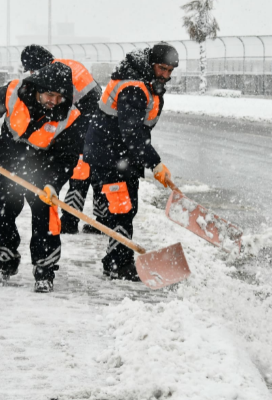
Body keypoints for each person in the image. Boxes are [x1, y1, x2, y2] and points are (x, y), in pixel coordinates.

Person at [0, 62, 83, 293]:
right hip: (8, 164)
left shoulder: (70, 115)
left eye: (60, 97)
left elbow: (67, 157)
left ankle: (45, 271)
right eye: (49, 94)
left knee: (46, 221)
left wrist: (53, 183)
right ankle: (6, 262)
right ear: (38, 88)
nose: (54, 101)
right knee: (3, 214)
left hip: (43, 170)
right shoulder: (13, 92)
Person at [83, 42, 178, 281]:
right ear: (150, 65)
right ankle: (117, 264)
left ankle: (117, 260)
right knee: (123, 208)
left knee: (124, 208)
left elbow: (136, 131)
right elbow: (131, 132)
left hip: (119, 154)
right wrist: (154, 163)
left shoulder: (143, 81)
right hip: (111, 155)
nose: (165, 75)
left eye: (170, 71)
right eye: (162, 69)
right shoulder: (133, 87)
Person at [21, 45, 104, 235]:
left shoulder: (57, 74)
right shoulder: (68, 65)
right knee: (96, 171)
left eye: (33, 70)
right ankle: (102, 219)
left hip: (87, 123)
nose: (33, 74)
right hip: (98, 123)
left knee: (80, 170)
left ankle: (70, 220)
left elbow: (61, 108)